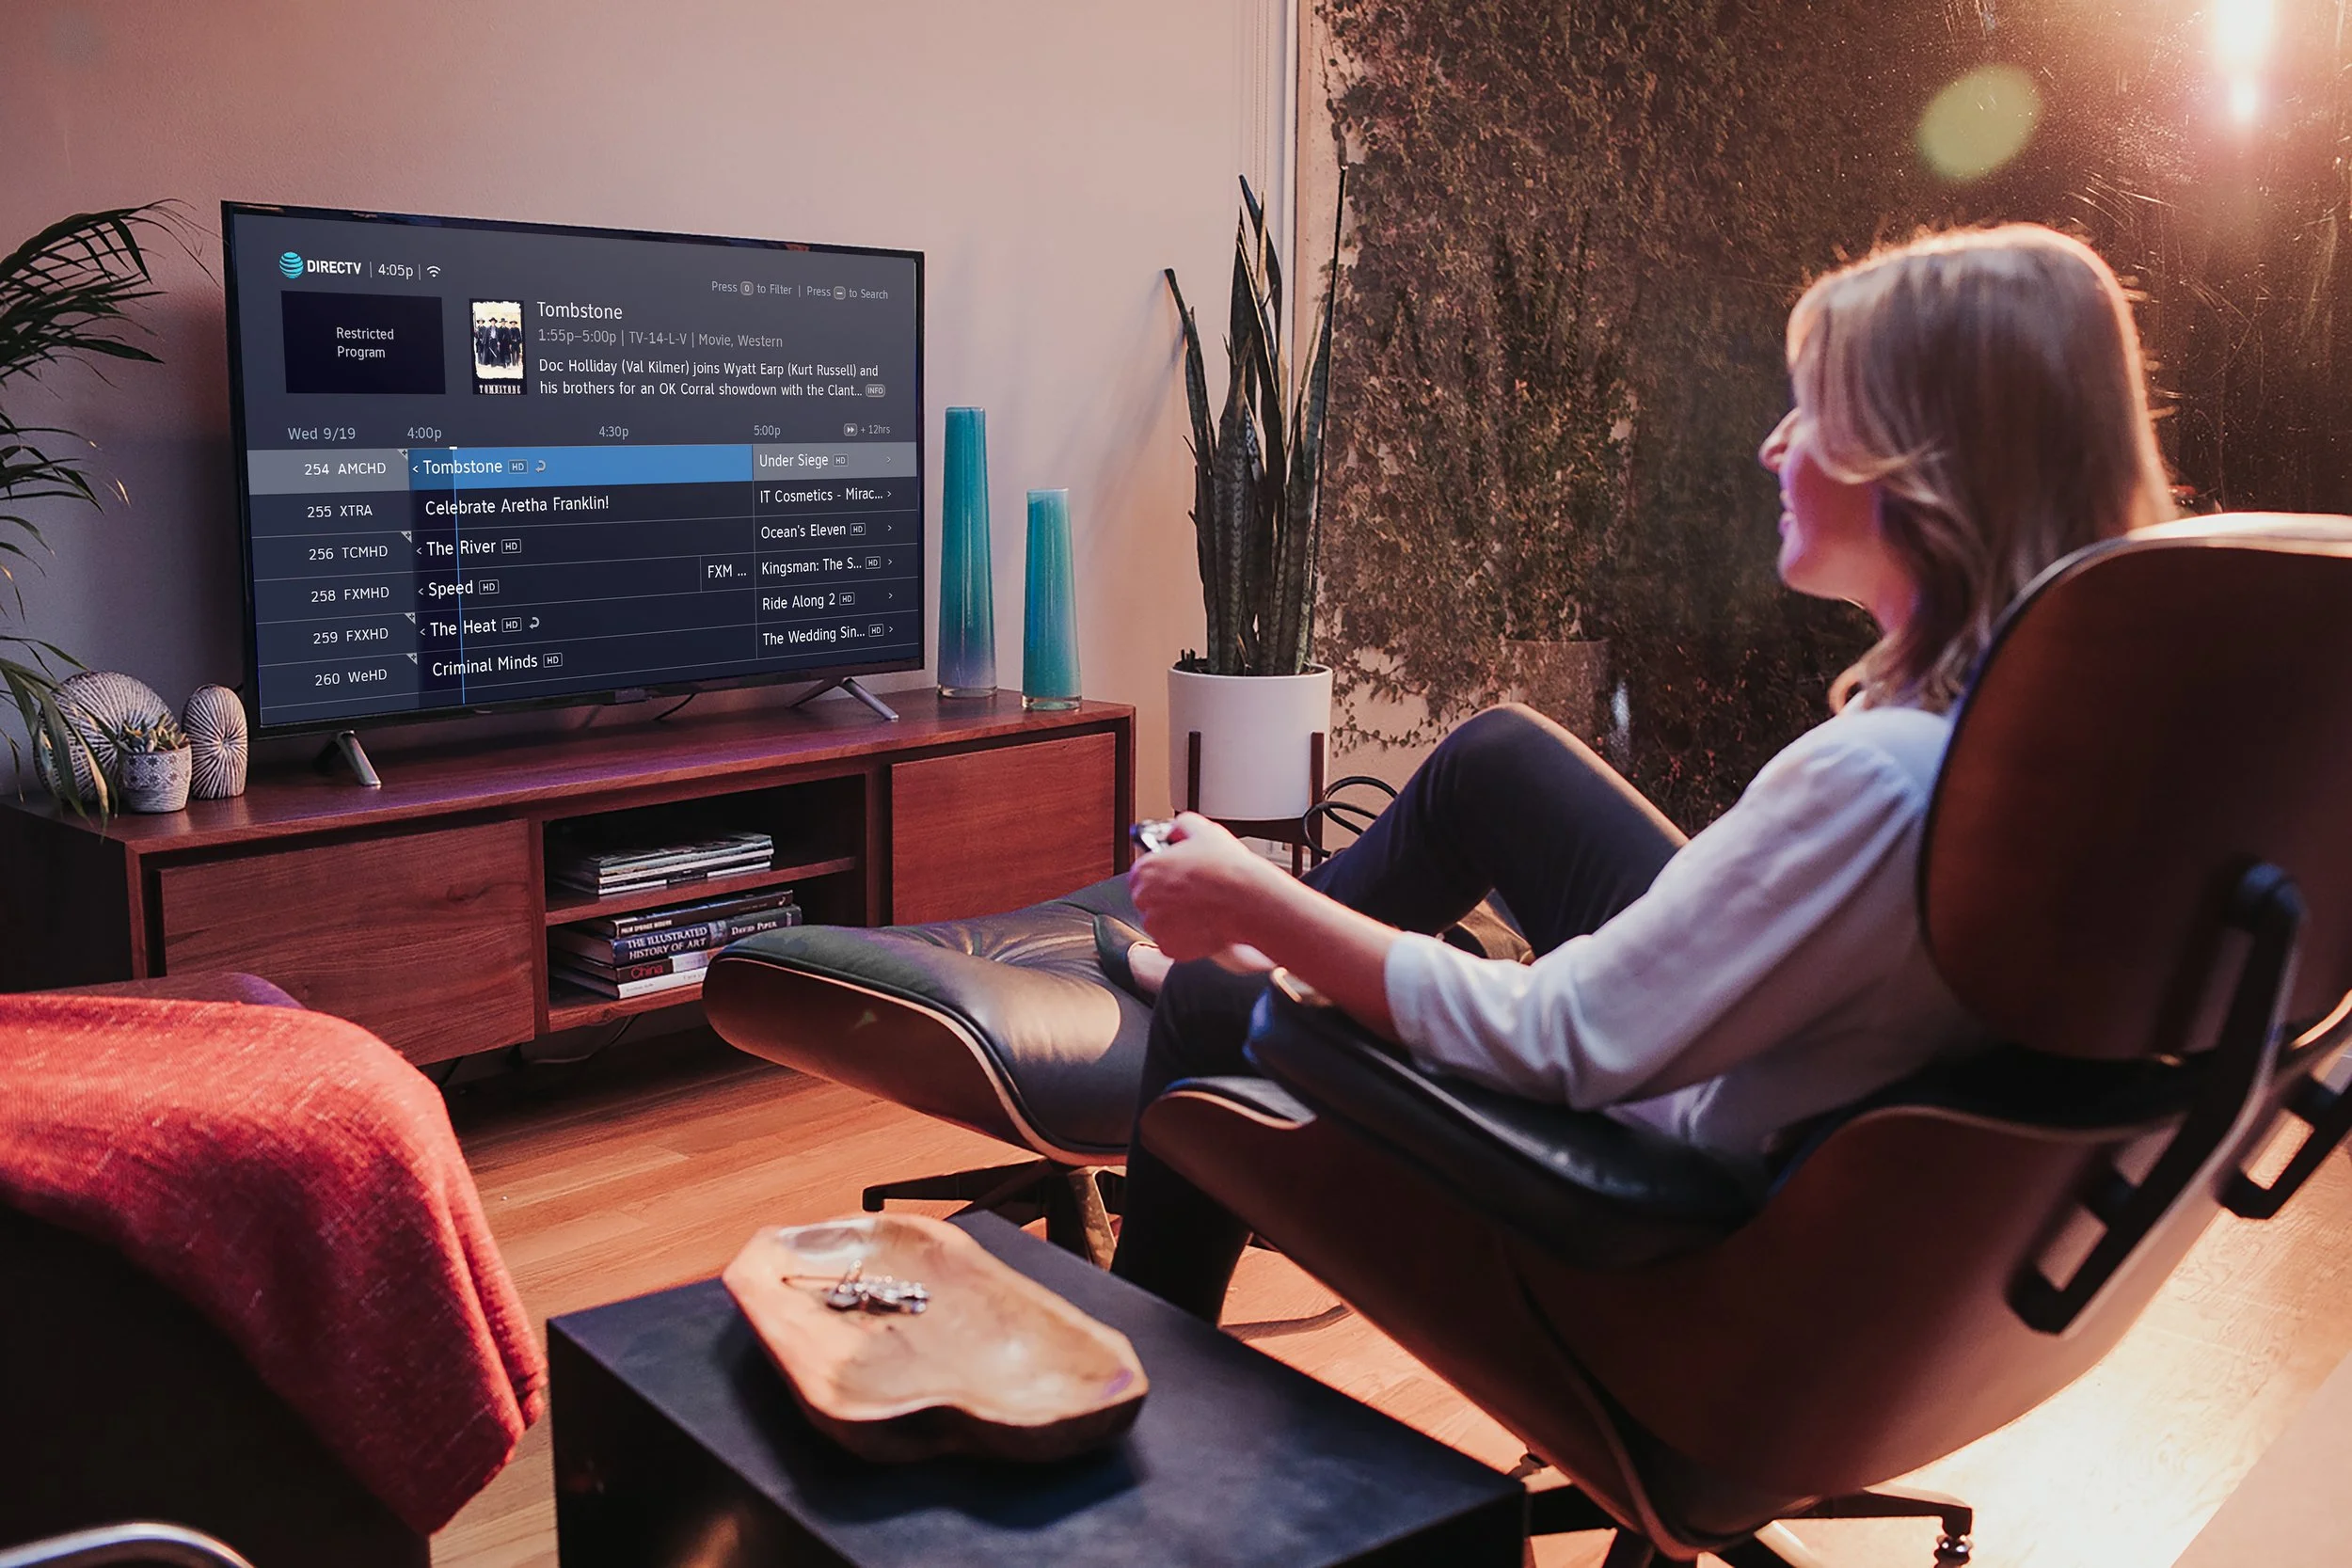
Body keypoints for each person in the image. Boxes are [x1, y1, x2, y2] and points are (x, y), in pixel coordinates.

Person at [1104, 223, 2176, 1323]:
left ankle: (1136, 1373)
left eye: (1812, 411)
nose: (1773, 445)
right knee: (1495, 759)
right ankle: (1244, 942)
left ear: (1920, 463)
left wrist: (1256, 902)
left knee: (1210, 1001)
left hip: (1662, 1155)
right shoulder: (2049, 737)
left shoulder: (1884, 781)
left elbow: (1554, 1038)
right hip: (1769, 1040)